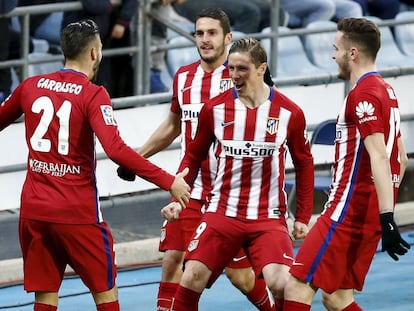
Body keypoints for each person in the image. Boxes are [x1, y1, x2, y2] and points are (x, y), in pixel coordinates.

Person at [0, 19, 190, 311]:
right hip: (78, 214)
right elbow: (115, 149)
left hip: (35, 210)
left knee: (45, 296)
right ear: (94, 54)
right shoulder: (93, 94)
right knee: (105, 294)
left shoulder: (30, 86)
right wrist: (168, 181)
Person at [118, 8, 281, 311]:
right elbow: (172, 125)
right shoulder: (183, 77)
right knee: (172, 260)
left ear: (228, 38)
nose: (204, 40)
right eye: (199, 33)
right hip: (188, 189)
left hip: (229, 196)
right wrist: (134, 158)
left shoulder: (240, 77)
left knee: (240, 276)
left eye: (212, 33)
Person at [164, 37, 314, 311]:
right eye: (231, 68)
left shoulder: (289, 112)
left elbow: (304, 164)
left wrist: (303, 216)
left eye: (242, 69)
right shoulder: (214, 109)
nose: (234, 75)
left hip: (267, 217)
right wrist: (177, 195)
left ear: (261, 68)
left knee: (282, 283)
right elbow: (193, 157)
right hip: (222, 213)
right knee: (191, 275)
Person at [283, 17, 410, 311]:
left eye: (336, 48)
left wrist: (388, 216)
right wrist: (380, 212)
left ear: (352, 53)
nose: (332, 55)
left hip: (346, 212)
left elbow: (380, 156)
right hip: (364, 213)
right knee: (337, 297)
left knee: (297, 285)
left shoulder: (362, 94)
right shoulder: (386, 91)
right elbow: (400, 158)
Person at [61, 0, 138, 98]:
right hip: (78, 40)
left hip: (101, 39)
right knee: (78, 80)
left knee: (102, 80)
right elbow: (91, 4)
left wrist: (122, 22)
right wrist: (109, 3)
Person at [171, 0, 288, 33]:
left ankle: (264, 63)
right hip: (186, 3)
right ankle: (240, 61)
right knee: (249, 11)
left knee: (272, 9)